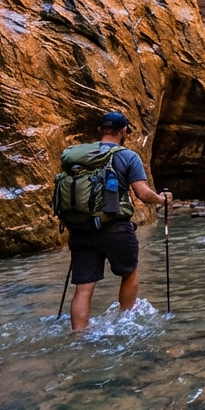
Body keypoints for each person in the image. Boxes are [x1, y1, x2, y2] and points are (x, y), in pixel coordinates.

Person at [55, 112, 171, 332]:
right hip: (115, 228)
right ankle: (125, 324)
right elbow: (142, 193)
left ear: (100, 130)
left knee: (83, 288)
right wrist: (162, 199)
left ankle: (78, 336)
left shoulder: (78, 156)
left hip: (80, 229)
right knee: (129, 274)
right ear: (124, 131)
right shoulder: (128, 156)